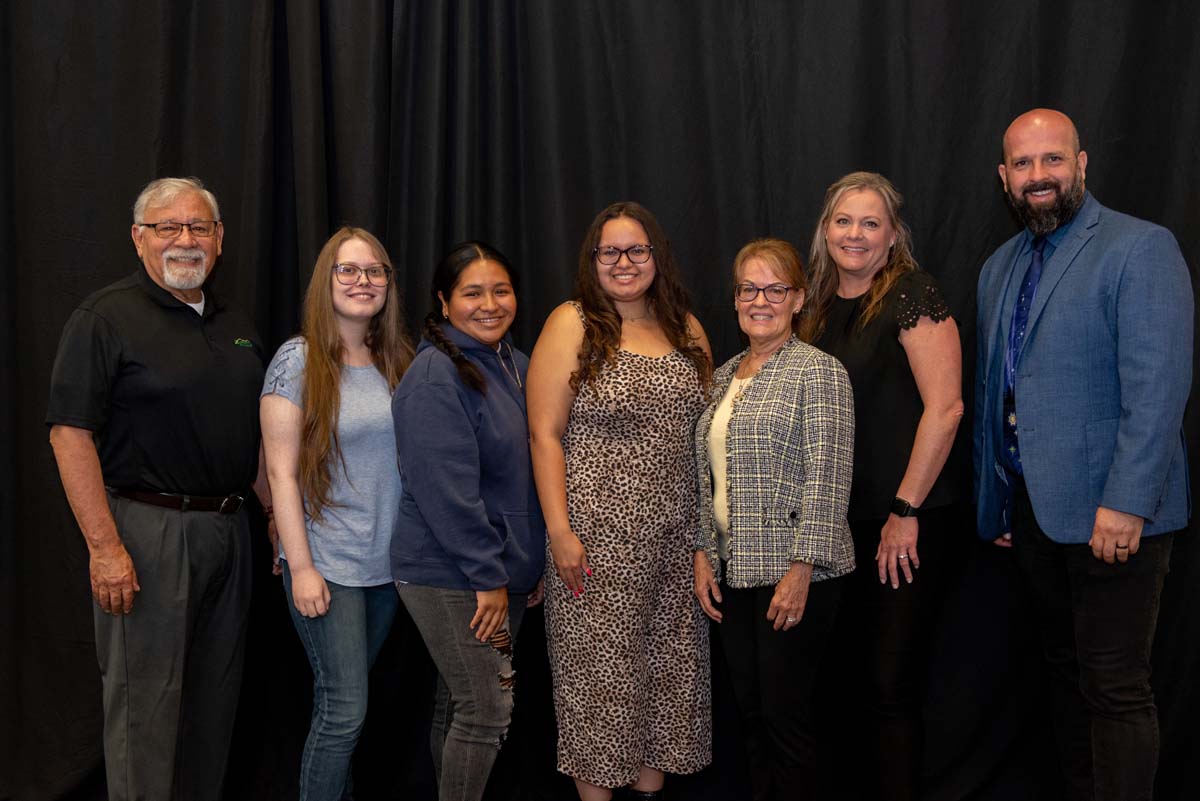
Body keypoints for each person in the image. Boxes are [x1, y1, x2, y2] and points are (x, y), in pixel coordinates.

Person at [975, 108, 1192, 801]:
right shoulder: (998, 266)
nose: (1039, 176)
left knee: (1115, 685)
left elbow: (1158, 389)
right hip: (1035, 515)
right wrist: (1000, 496)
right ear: (1003, 177)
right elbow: (997, 391)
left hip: (1114, 515)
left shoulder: (1139, 247)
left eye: (1053, 160)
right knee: (1065, 679)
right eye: (1024, 164)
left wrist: (1128, 501)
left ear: (1083, 163)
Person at [45, 177, 270, 801]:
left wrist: (274, 513)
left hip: (231, 530)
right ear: (139, 238)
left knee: (213, 702)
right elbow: (70, 436)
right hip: (145, 534)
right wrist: (105, 547)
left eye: (198, 227)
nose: (185, 239)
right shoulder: (104, 317)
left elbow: (252, 434)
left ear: (220, 239)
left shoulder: (237, 324)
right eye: (168, 227)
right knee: (146, 707)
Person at [528, 201, 713, 801]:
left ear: (656, 257)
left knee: (662, 693)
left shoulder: (685, 326)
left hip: (675, 546)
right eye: (611, 252)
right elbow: (544, 434)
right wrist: (559, 530)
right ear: (593, 260)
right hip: (596, 547)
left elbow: (709, 428)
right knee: (601, 695)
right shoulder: (572, 323)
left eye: (637, 250)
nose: (625, 262)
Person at [801, 171, 965, 800]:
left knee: (890, 686)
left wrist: (905, 508)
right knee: (839, 685)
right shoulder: (813, 304)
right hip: (839, 528)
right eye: (844, 221)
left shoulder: (911, 293)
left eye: (871, 223)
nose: (855, 235)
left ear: (893, 234)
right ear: (825, 229)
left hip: (905, 522)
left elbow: (945, 409)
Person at [693, 238, 855, 801]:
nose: (759, 300)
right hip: (734, 572)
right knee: (751, 715)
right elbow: (706, 477)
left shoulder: (820, 371)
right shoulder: (724, 375)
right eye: (748, 288)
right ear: (735, 297)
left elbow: (829, 477)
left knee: (786, 720)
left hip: (795, 574)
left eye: (774, 288)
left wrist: (802, 567)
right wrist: (702, 554)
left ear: (798, 298)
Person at [259, 226, 414, 800]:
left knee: (345, 706)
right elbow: (280, 474)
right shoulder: (297, 360)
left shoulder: (398, 359)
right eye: (347, 270)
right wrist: (300, 567)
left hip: (386, 570)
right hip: (327, 564)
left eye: (375, 271)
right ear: (326, 280)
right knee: (346, 709)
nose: (362, 281)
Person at [391, 241, 545, 801]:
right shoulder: (435, 377)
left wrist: (530, 559)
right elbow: (446, 493)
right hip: (450, 571)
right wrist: (488, 576)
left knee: (459, 705)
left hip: (501, 569)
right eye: (472, 292)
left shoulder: (517, 364)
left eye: (500, 290)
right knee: (487, 709)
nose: (489, 303)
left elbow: (526, 475)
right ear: (444, 300)